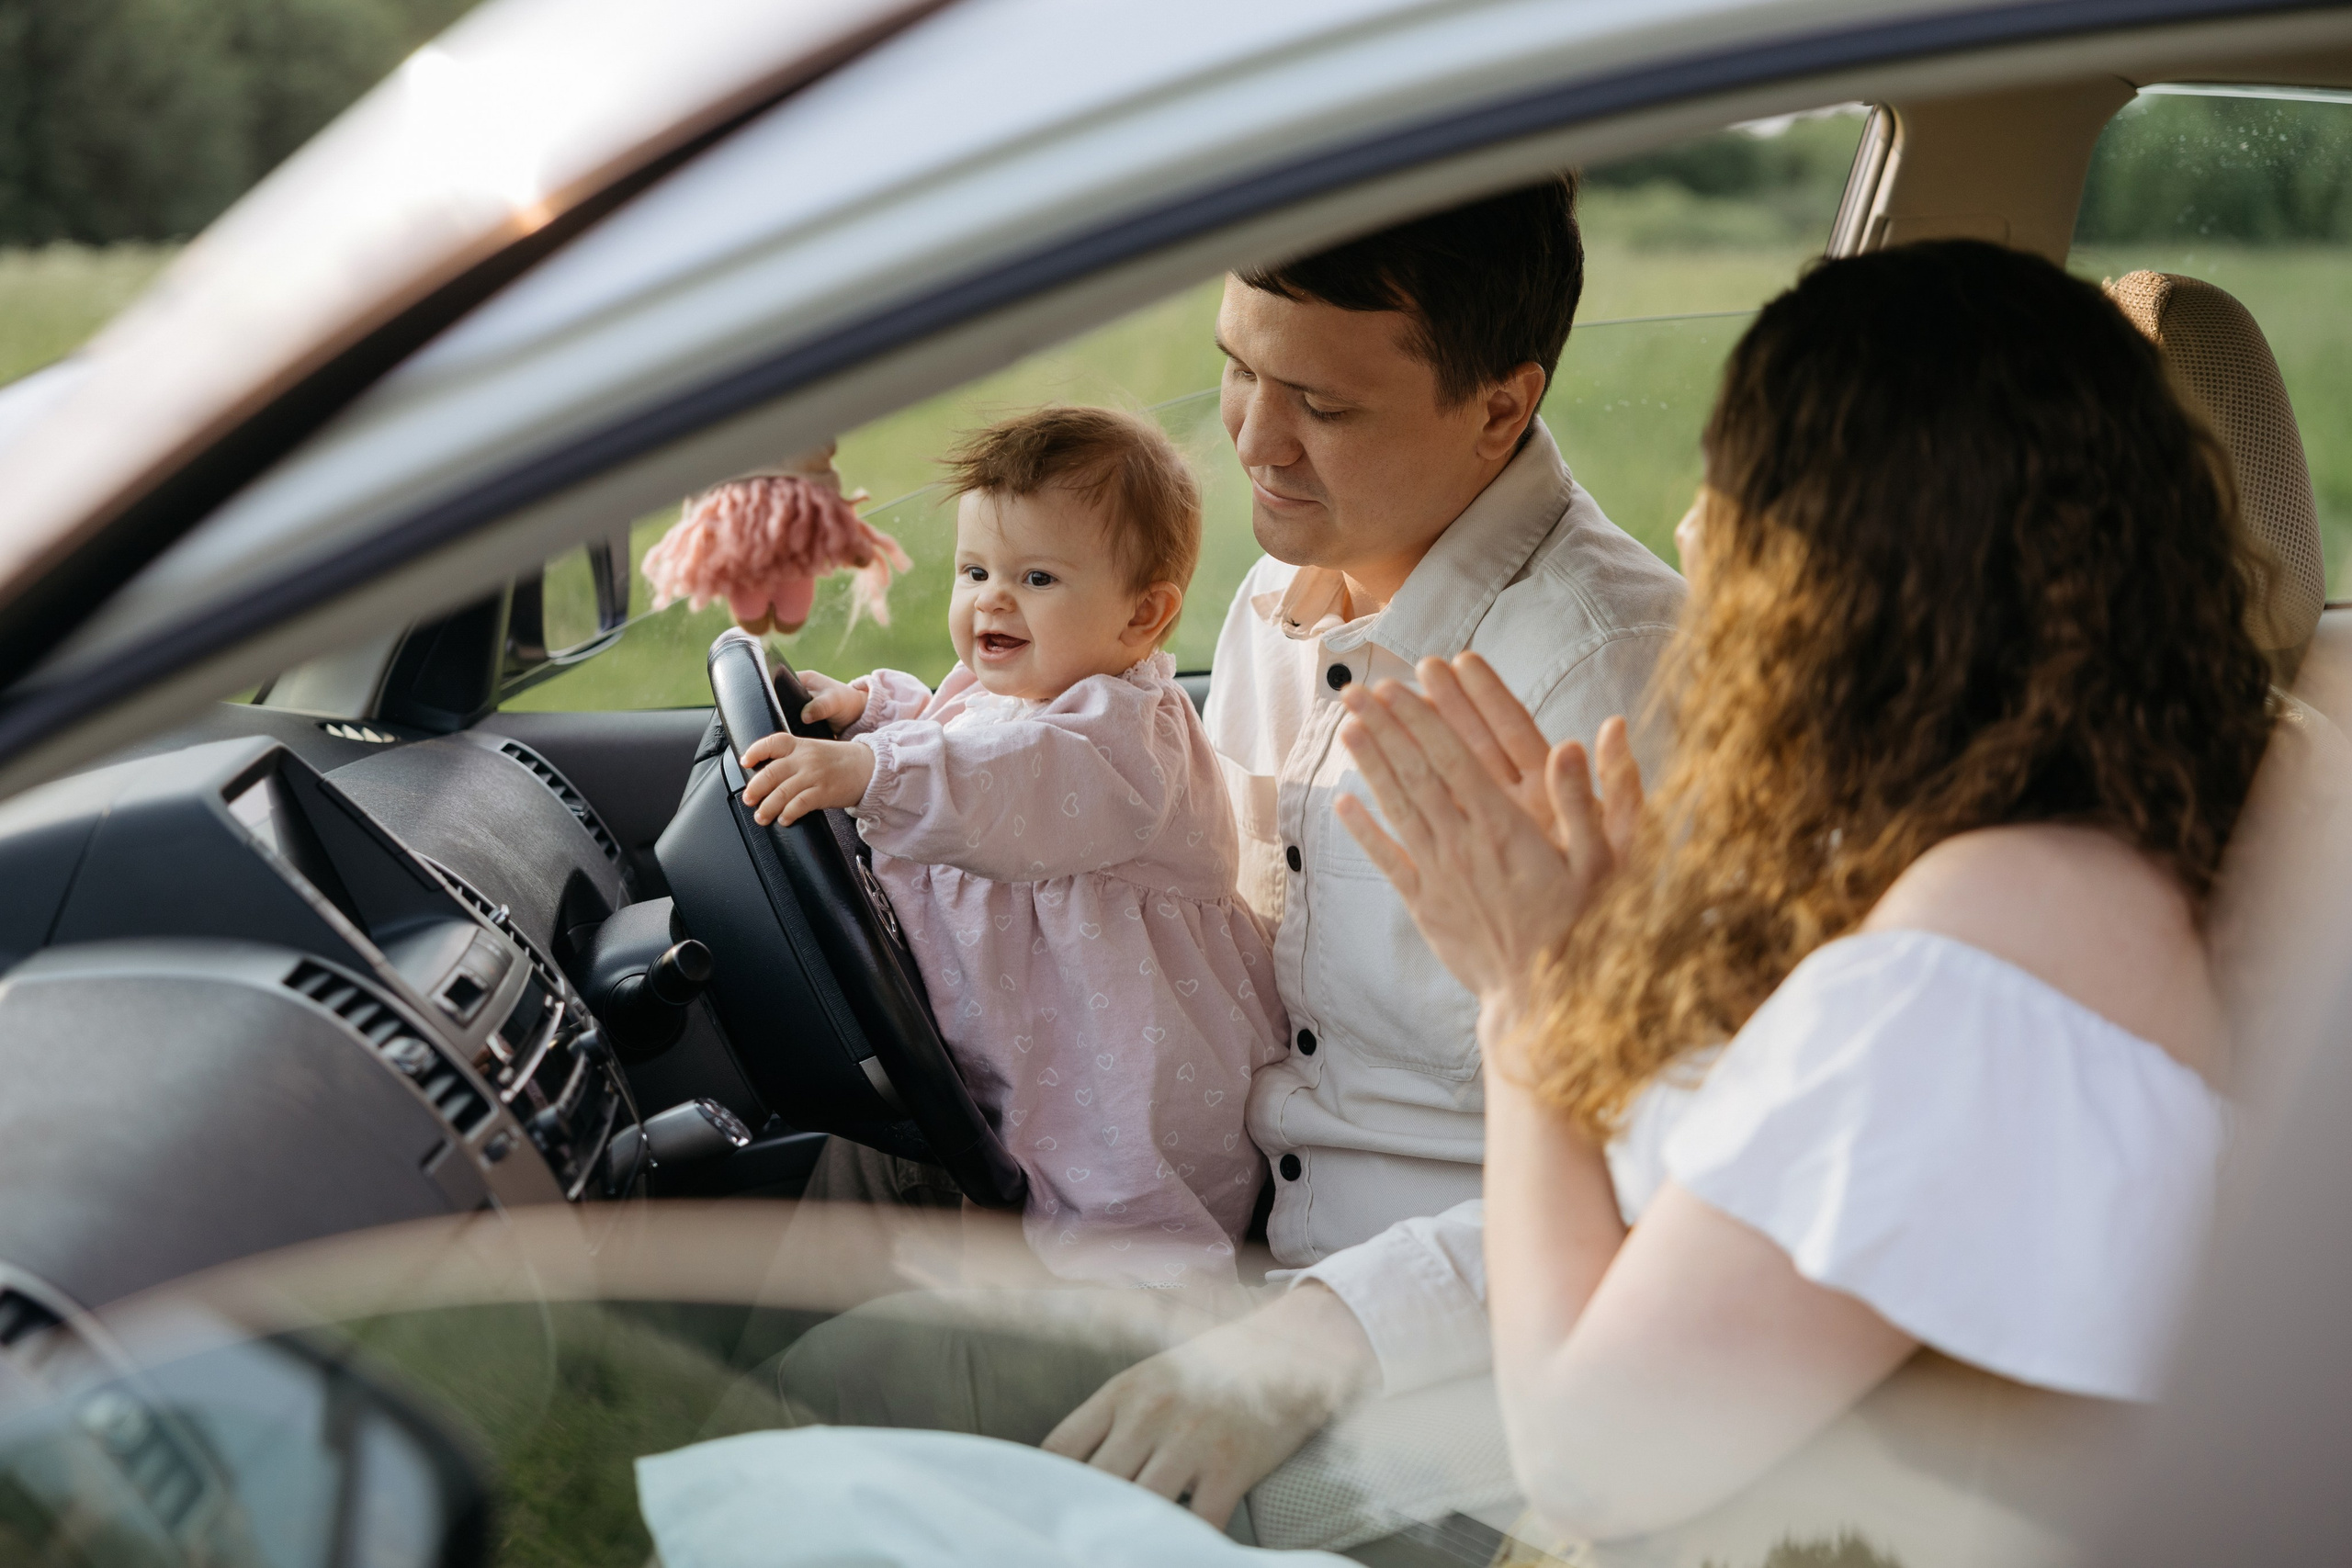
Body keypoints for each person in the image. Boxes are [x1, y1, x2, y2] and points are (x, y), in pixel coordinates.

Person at [780, 175, 1687, 1534]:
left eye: (1321, 404)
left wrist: (1307, 1338)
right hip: (1223, 1250)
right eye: (1234, 369)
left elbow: (1692, 1171)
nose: (1253, 440)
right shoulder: (1280, 600)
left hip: (1441, 1389)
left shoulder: (1617, 688)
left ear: (1502, 403)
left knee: (832, 1416)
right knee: (816, 1346)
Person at [1331, 239, 2277, 1540]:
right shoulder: (2101, 837)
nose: (1689, 530)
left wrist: (1532, 1008)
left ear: (1842, 571)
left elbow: (1591, 1465)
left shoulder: (1977, 963)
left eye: (1734, 489)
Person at [740, 406, 1288, 1285]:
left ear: (1144, 616)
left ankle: (1147, 1333)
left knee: (1121, 1219)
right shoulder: (1029, 683)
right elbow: (960, 730)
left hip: (1124, 1070)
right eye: (975, 570)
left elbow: (1011, 778)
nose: (992, 598)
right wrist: (871, 715)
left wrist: (868, 770)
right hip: (1024, 1053)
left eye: (1036, 576)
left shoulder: (1125, 738)